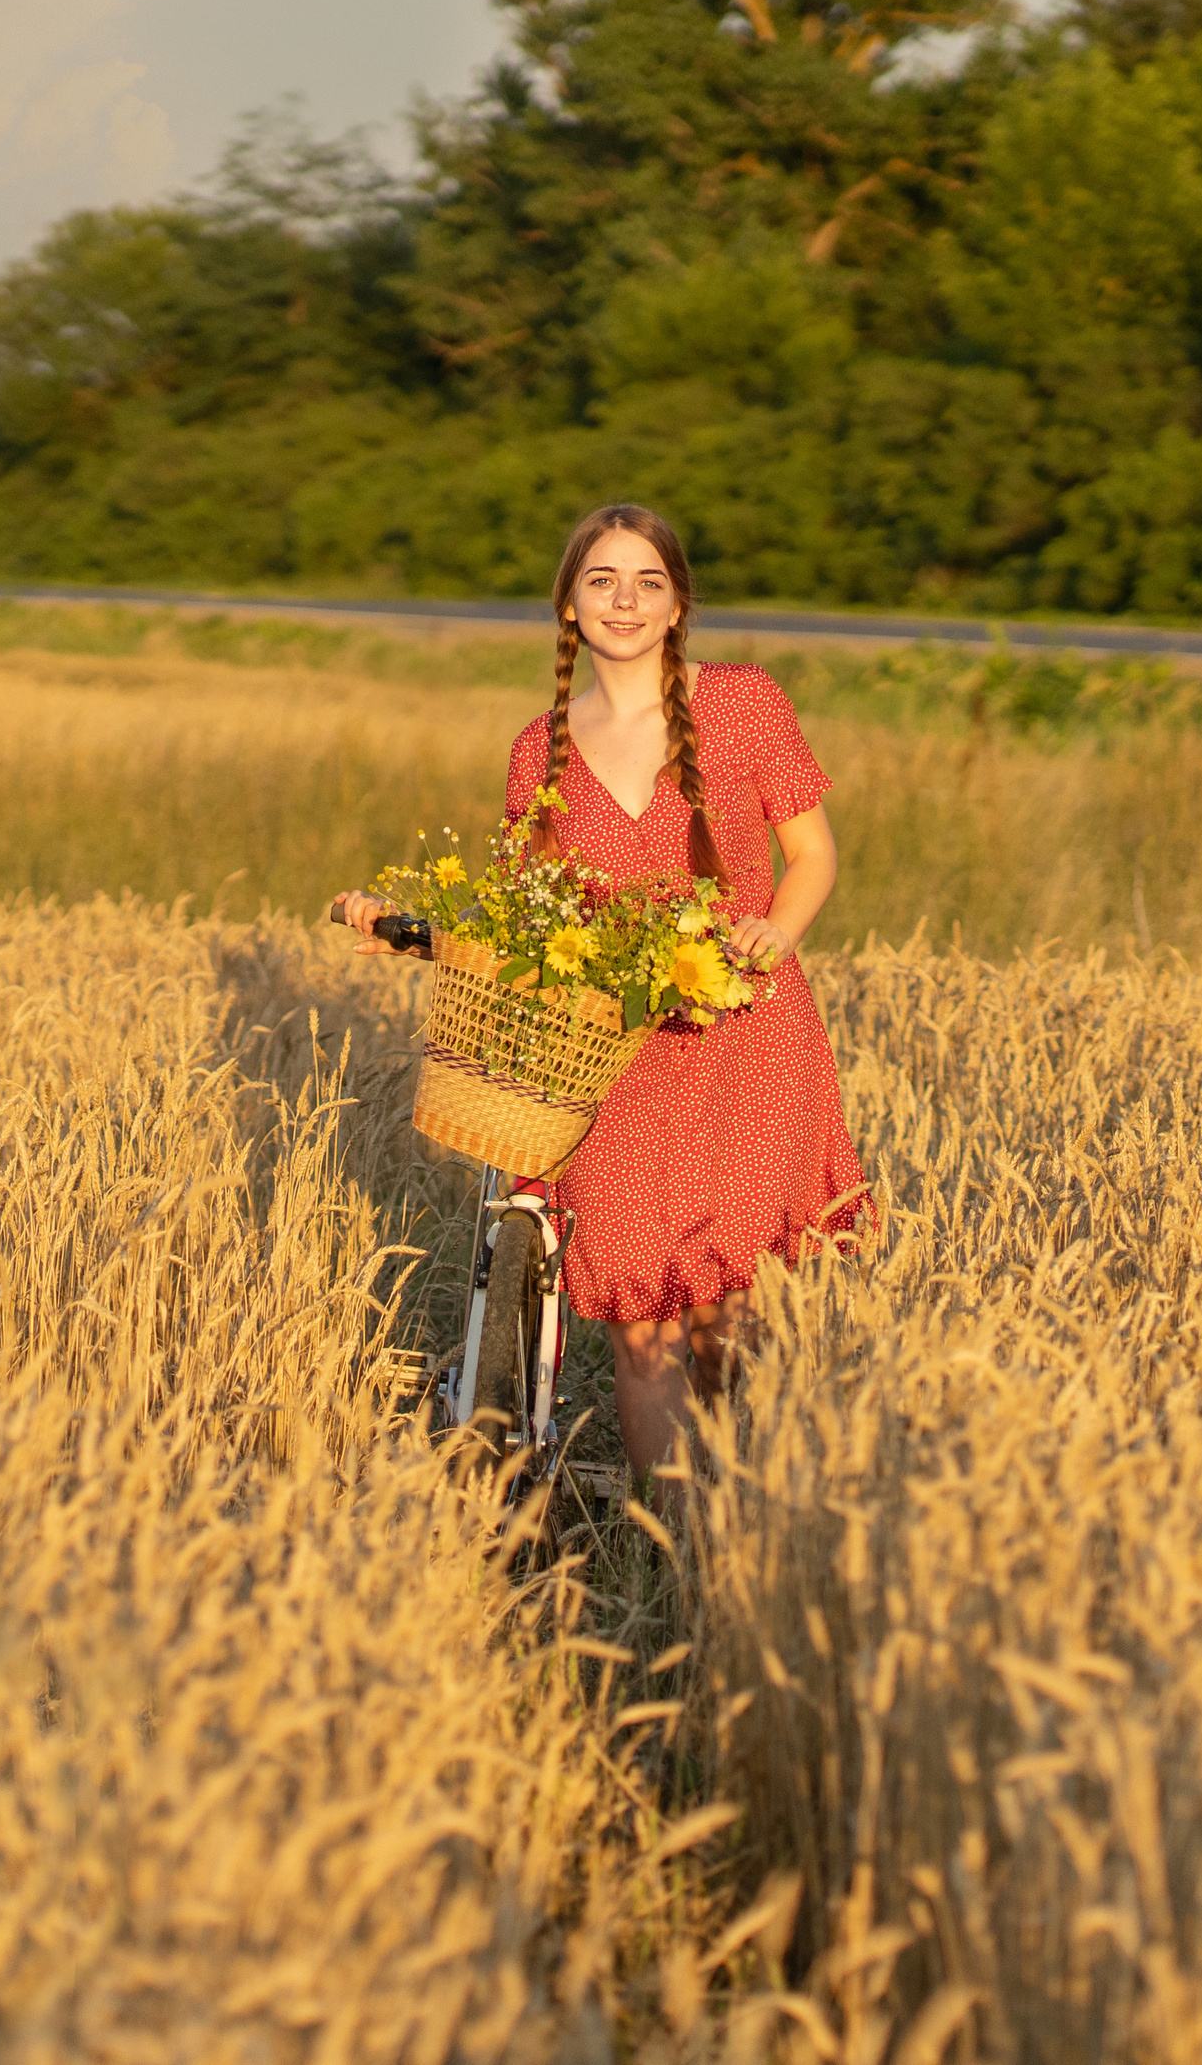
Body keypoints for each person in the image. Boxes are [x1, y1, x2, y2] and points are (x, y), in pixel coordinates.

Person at [332, 503, 870, 1481]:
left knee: (726, 1323)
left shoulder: (745, 703)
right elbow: (523, 920)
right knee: (641, 1325)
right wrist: (407, 928)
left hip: (746, 1039)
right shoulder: (537, 747)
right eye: (602, 581)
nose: (625, 601)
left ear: (677, 605)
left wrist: (776, 932)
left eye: (647, 582)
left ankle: (732, 1511)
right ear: (569, 605)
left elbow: (814, 854)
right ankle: (672, 1540)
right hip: (607, 1058)